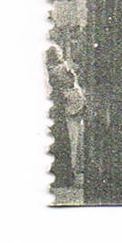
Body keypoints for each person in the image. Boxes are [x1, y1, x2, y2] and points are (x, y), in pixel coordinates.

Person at [46, 45, 80, 188]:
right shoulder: (59, 70)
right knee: (61, 142)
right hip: (58, 108)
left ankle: (60, 176)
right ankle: (63, 176)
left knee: (58, 143)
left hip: (56, 108)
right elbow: (69, 82)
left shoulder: (52, 70)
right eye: (57, 54)